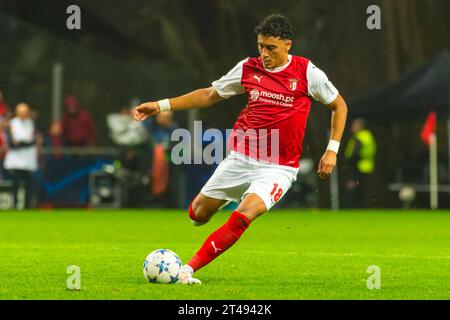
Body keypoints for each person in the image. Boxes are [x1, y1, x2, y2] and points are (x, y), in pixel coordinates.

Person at [134, 14, 348, 284]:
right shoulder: (248, 68)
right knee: (197, 215)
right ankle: (227, 196)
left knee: (245, 213)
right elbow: (210, 94)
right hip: (241, 158)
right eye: (261, 46)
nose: (264, 53)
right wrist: (162, 105)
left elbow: (339, 105)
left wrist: (332, 149)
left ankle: (188, 269)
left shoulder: (307, 72)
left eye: (271, 47)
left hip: (278, 168)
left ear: (287, 45)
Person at [3, 103, 40, 209]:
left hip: (28, 161)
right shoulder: (11, 124)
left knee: (29, 186)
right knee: (16, 185)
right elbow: (12, 143)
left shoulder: (32, 124)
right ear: (17, 113)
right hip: (16, 161)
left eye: (26, 112)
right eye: (22, 112)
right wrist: (24, 143)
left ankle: (27, 206)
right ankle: (14, 205)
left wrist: (22, 143)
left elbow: (34, 141)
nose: (24, 114)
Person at [343, 118, 377, 208]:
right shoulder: (368, 136)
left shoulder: (359, 137)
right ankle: (364, 208)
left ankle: (352, 208)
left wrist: (348, 161)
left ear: (360, 126)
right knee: (364, 191)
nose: (352, 127)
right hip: (368, 166)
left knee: (353, 190)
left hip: (357, 167)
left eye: (354, 125)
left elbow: (355, 153)